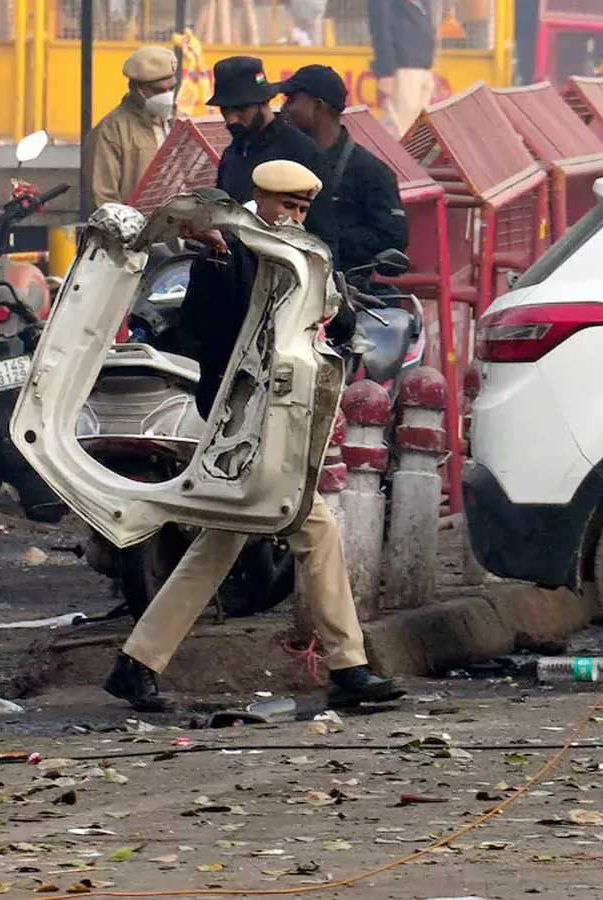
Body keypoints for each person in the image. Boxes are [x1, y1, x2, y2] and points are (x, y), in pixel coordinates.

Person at [102, 160, 405, 713]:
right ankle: (348, 667)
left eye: (301, 209)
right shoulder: (228, 253)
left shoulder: (302, 256)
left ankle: (136, 663)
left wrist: (331, 295)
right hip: (237, 423)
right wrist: (219, 255)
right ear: (257, 201)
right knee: (314, 528)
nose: (291, 216)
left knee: (221, 542)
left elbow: (334, 325)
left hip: (273, 421)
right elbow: (204, 327)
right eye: (284, 206)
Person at [277, 64, 409, 273]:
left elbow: (392, 237)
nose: (284, 108)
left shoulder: (371, 172)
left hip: (347, 290)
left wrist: (323, 238)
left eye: (291, 100)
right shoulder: (283, 160)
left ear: (318, 106)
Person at [210, 56, 328, 205]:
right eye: (224, 110)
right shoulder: (231, 155)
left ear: (264, 102)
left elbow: (320, 223)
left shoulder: (302, 152)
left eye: (240, 108)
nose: (231, 119)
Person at [84, 46, 181, 209]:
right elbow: (103, 200)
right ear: (135, 88)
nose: (167, 96)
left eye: (171, 88)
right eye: (158, 90)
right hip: (135, 231)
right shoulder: (111, 131)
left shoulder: (178, 122)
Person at [369, 0, 437, 137]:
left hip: (423, 66)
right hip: (403, 68)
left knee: (417, 136)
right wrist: (386, 72)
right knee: (397, 132)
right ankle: (389, 158)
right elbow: (380, 25)